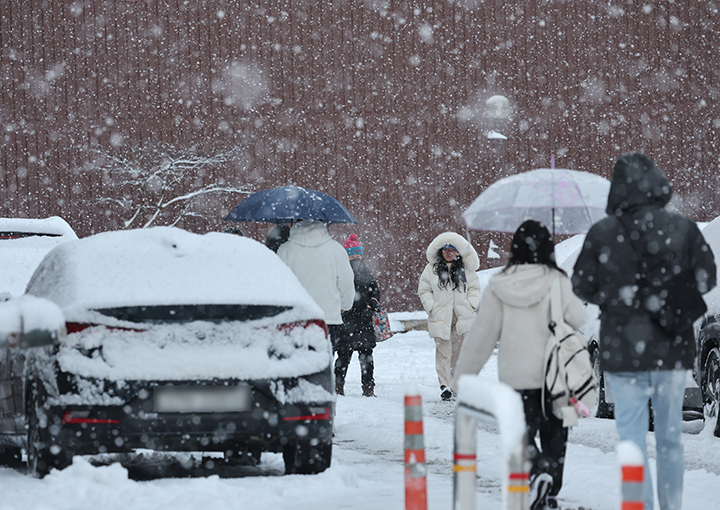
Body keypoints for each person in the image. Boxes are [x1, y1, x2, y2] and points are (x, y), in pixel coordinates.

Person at [571, 152, 717, 510]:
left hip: (623, 348)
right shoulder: (682, 227)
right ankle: (671, 505)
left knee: (632, 437)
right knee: (669, 437)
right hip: (671, 347)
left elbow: (581, 285)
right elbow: (707, 278)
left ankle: (639, 506)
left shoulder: (604, 232)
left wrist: (617, 294)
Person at [452, 220, 585, 510]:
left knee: (519, 436)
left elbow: (481, 339)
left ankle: (536, 473)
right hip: (556, 377)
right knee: (556, 438)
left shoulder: (499, 286)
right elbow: (578, 317)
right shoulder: (557, 280)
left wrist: (463, 378)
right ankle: (549, 491)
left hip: (517, 379)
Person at [417, 231, 481, 401]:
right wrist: (431, 307)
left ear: (457, 252)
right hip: (440, 316)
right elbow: (424, 290)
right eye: (446, 250)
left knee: (459, 352)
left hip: (462, 316)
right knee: (444, 352)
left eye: (452, 250)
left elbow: (475, 288)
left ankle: (456, 385)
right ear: (441, 252)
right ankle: (445, 385)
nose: (449, 253)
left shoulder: (466, 270)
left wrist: (471, 305)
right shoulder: (431, 270)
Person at [277, 220, 355, 352]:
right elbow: (347, 282)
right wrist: (345, 305)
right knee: (324, 364)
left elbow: (279, 285)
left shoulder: (285, 250)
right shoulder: (336, 249)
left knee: (298, 365)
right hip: (328, 318)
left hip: (296, 319)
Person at [334, 234, 381, 397]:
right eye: (352, 256)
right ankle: (341, 386)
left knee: (358, 355)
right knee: (350, 355)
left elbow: (374, 289)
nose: (356, 259)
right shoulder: (343, 270)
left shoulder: (362, 270)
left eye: (358, 256)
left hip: (357, 318)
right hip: (350, 318)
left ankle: (364, 387)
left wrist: (374, 300)